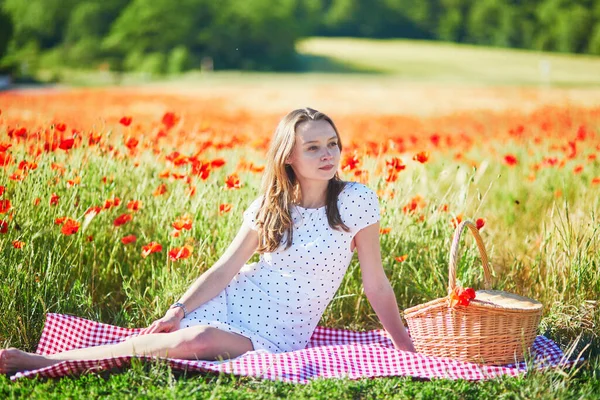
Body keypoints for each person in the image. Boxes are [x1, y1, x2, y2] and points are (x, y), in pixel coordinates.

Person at [0, 108, 415, 374]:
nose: (328, 154)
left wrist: (405, 350)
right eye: (313, 147)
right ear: (288, 156)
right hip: (236, 299)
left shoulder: (355, 201)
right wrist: (179, 307)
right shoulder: (269, 206)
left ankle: (51, 361)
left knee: (196, 342)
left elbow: (374, 282)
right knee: (182, 335)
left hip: (280, 331)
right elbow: (225, 269)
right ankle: (54, 362)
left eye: (332, 144)